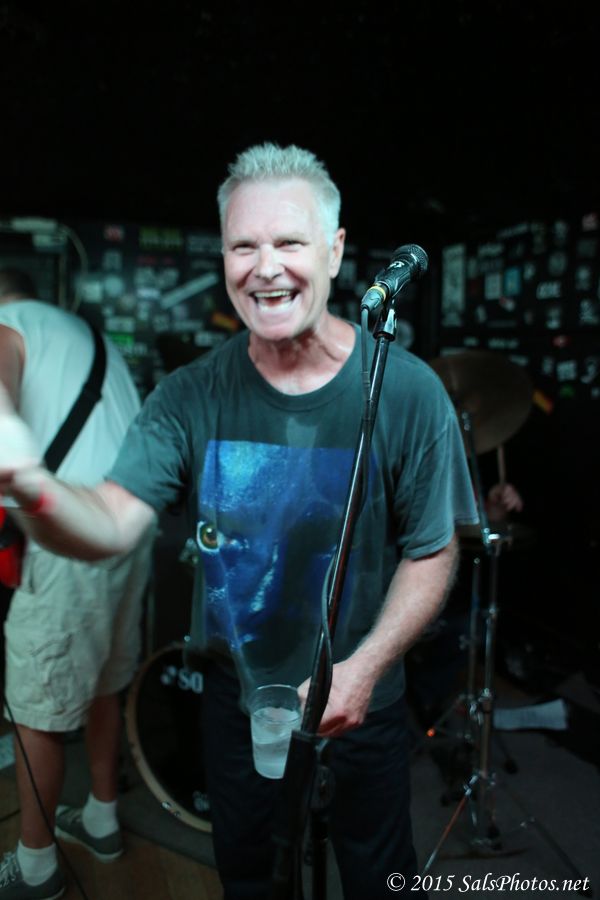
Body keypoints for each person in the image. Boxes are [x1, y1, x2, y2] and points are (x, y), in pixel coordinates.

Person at [0, 144, 478, 900]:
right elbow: (113, 522)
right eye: (243, 246)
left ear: (335, 250)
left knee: (379, 875)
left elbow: (433, 549)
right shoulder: (192, 393)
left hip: (364, 699)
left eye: (289, 241)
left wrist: (364, 669)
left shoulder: (406, 389)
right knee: (251, 878)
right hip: (239, 703)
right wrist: (32, 488)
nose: (265, 267)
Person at [0, 269, 154, 900]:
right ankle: (101, 817)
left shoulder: (10, 325)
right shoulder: (93, 339)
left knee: (37, 706)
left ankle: (36, 869)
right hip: (127, 525)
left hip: (69, 535)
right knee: (104, 683)